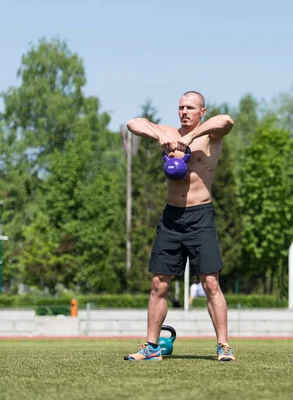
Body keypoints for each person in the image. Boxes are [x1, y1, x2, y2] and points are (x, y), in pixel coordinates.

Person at [124, 91, 235, 362]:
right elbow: (133, 123)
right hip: (172, 218)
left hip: (201, 217)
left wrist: (189, 138)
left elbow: (227, 120)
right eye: (181, 107)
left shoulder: (210, 136)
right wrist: (159, 136)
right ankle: (151, 348)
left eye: (190, 108)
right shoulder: (169, 133)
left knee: (210, 283)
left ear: (202, 111)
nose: (184, 112)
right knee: (159, 284)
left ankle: (223, 346)